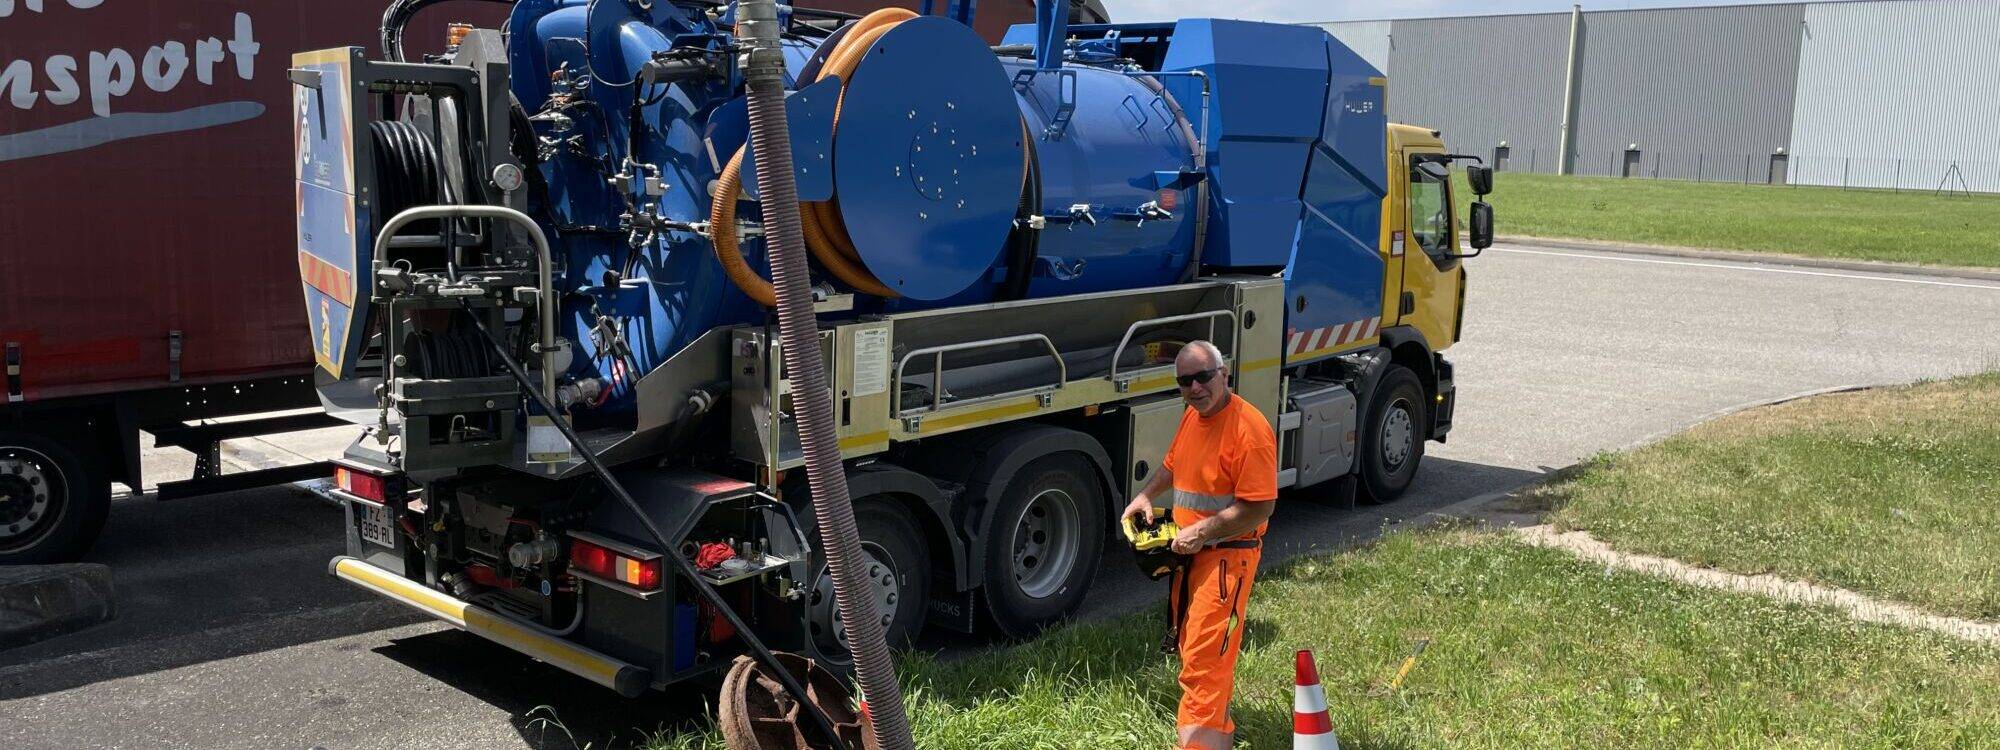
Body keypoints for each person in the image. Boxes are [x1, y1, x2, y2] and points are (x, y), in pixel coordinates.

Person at [1122, 340, 1279, 750]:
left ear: (1224, 374)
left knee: (1205, 662)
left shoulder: (1250, 429)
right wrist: (1145, 495)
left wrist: (1203, 532)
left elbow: (1260, 507)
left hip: (1227, 558)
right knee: (1193, 651)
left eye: (1203, 376)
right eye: (1184, 381)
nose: (1194, 388)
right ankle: (1213, 733)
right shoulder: (1194, 416)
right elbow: (1173, 464)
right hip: (1191, 556)